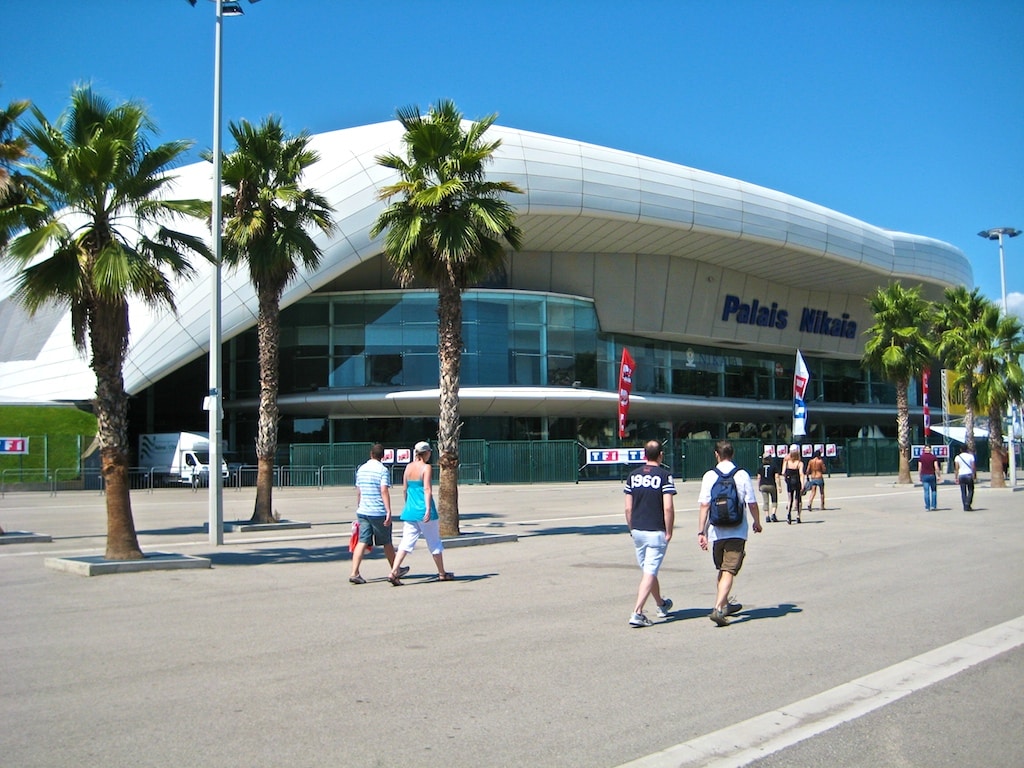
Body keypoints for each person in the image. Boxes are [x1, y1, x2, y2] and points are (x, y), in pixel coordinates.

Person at [698, 440, 762, 626]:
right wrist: (757, 522)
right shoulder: (741, 474)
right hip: (737, 530)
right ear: (732, 455)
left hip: (716, 531)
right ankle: (719, 608)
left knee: (723, 569)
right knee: (729, 570)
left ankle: (724, 604)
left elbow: (704, 505)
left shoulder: (709, 476)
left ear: (716, 455)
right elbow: (751, 502)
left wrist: (701, 531)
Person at [623, 440, 676, 627]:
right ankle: (637, 612)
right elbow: (668, 507)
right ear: (660, 455)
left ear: (645, 455)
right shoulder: (664, 476)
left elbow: (628, 509)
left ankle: (661, 604)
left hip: (637, 529)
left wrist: (631, 528)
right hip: (656, 530)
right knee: (650, 571)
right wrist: (669, 530)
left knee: (648, 570)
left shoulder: (633, 476)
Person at [387, 441, 453, 585]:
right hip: (424, 510)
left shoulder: (408, 467)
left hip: (410, 511)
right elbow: (427, 489)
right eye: (429, 451)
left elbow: (404, 489)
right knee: (434, 542)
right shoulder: (426, 467)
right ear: (426, 453)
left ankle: (394, 572)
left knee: (405, 543)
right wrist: (428, 508)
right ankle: (442, 573)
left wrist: (408, 504)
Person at [349, 443, 407, 584]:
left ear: (371, 454)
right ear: (383, 456)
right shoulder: (382, 470)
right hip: (377, 511)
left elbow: (359, 491)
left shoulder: (361, 469)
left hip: (363, 510)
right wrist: (388, 511)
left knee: (362, 541)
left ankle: (354, 572)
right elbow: (383, 491)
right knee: (386, 541)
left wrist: (359, 506)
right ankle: (395, 570)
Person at [782, 448, 805, 524]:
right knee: (798, 499)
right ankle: (798, 516)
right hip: (797, 481)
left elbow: (783, 472)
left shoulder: (787, 462)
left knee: (790, 499)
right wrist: (802, 484)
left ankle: (788, 514)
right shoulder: (800, 463)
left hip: (789, 481)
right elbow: (801, 474)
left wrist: (786, 477)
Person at [758, 455, 781, 522]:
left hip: (763, 485)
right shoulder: (773, 466)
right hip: (771, 485)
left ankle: (767, 516)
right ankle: (773, 514)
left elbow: (759, 477)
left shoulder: (760, 466)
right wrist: (779, 486)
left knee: (765, 501)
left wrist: (759, 485)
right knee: (774, 499)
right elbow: (777, 477)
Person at [918, 445, 941, 511]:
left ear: (924, 450)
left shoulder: (921, 457)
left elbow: (919, 468)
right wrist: (938, 475)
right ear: (930, 450)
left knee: (926, 492)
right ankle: (933, 505)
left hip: (924, 475)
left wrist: (920, 476)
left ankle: (927, 507)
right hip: (932, 475)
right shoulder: (933, 457)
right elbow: (936, 467)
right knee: (933, 491)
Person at [954, 446, 977, 511]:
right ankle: (968, 503)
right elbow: (973, 467)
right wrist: (974, 475)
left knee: (963, 491)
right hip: (969, 474)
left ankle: (965, 505)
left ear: (960, 450)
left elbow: (956, 468)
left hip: (961, 475)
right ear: (967, 449)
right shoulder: (970, 456)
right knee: (971, 490)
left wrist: (956, 477)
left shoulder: (957, 457)